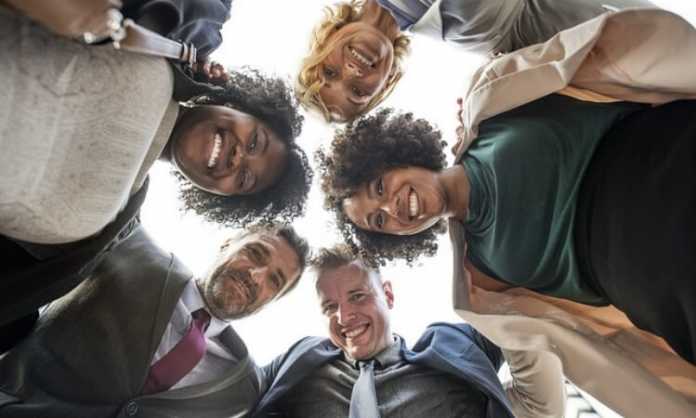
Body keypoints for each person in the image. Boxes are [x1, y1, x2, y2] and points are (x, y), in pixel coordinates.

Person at [0, 1, 313, 340]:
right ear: (238, 105)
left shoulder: (107, 227)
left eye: (245, 180)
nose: (239, 158)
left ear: (222, 198)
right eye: (255, 141)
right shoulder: (162, 44)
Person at [0, 221, 309, 417]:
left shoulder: (243, 390)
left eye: (274, 280)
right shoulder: (129, 245)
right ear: (227, 243)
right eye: (255, 253)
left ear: (274, 300)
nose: (256, 276)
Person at [253, 246, 566, 418]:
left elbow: (516, 312)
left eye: (358, 296)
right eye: (329, 306)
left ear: (387, 295)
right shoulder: (303, 364)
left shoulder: (452, 352)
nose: (344, 316)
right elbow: (230, 386)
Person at [296, 0, 655, 122]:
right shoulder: (476, 36)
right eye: (357, 91)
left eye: (330, 72)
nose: (352, 72)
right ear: (386, 82)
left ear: (325, 39)